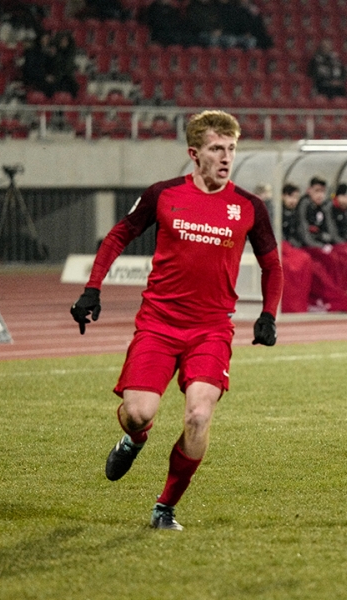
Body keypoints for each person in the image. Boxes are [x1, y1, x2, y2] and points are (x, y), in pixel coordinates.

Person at [69, 110, 284, 530]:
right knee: (138, 413)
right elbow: (118, 235)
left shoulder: (248, 206)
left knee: (198, 416)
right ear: (194, 153)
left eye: (231, 149)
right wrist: (92, 288)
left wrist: (268, 315)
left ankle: (165, 507)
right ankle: (134, 439)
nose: (226, 157)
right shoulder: (163, 194)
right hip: (158, 324)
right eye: (216, 149)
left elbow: (272, 265)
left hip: (211, 330)